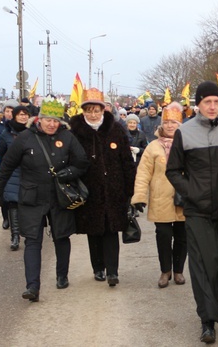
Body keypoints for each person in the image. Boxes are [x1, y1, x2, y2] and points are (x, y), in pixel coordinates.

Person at [166, 81, 218, 344]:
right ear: (197, 105)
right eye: (206, 102)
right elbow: (173, 170)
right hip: (197, 209)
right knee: (202, 262)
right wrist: (191, 192)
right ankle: (207, 320)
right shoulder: (185, 132)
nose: (212, 107)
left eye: (216, 101)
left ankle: (215, 307)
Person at [0, 97, 89, 301]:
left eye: (56, 121)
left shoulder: (68, 137)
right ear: (39, 119)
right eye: (48, 120)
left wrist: (68, 173)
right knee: (33, 241)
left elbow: (82, 163)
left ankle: (62, 275)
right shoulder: (25, 138)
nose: (52, 124)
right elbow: (7, 166)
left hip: (59, 197)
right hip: (31, 197)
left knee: (61, 237)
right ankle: (32, 286)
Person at [69, 88, 136, 287]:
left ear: (103, 109)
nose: (93, 114)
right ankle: (98, 267)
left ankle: (113, 271)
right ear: (83, 111)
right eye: (88, 110)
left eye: (96, 110)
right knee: (94, 231)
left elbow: (127, 162)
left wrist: (131, 189)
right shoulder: (75, 134)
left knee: (111, 229)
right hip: (89, 190)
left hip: (114, 189)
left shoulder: (115, 130)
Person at [132, 102, 187, 288]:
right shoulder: (153, 147)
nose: (170, 126)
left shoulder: (188, 144)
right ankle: (165, 271)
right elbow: (143, 172)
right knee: (163, 235)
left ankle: (178, 270)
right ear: (161, 124)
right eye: (167, 122)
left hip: (183, 199)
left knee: (182, 236)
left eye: (174, 122)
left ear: (180, 124)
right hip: (160, 199)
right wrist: (139, 195)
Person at [0, 105, 31, 250]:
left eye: (25, 114)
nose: (23, 117)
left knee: (29, 204)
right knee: (13, 204)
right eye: (20, 114)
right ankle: (15, 236)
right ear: (15, 116)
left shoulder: (33, 132)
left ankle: (29, 234)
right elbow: (0, 154)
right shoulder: (6, 134)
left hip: (30, 172)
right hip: (13, 173)